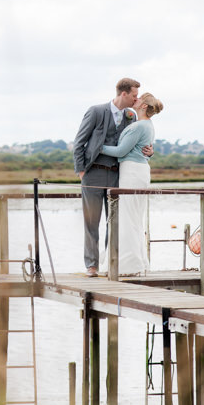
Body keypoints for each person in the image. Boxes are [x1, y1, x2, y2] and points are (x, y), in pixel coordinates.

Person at [73, 78, 153, 277]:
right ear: (123, 94)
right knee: (91, 221)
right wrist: (81, 171)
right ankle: (92, 265)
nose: (136, 99)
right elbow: (79, 142)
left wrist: (149, 152)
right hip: (93, 174)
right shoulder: (96, 111)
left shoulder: (131, 117)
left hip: (118, 175)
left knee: (115, 222)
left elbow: (133, 145)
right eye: (134, 95)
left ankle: (111, 262)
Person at [99, 92, 163, 275]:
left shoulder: (139, 126)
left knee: (128, 218)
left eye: (139, 99)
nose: (136, 100)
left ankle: (129, 264)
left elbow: (120, 151)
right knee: (133, 218)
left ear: (143, 106)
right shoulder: (146, 125)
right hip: (137, 170)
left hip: (132, 171)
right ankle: (136, 261)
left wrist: (97, 147)